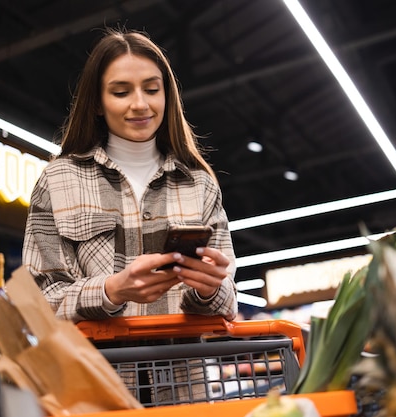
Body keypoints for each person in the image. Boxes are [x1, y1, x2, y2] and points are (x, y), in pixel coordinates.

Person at [22, 28, 237, 325]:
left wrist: (210, 290)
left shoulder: (199, 184)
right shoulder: (58, 181)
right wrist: (111, 290)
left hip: (187, 366)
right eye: (121, 92)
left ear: (167, 95)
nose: (140, 104)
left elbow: (229, 304)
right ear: (97, 102)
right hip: (97, 370)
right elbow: (37, 304)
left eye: (151, 89)